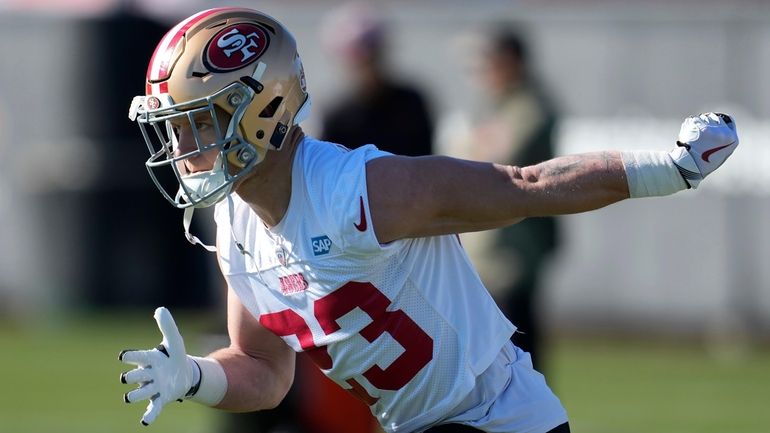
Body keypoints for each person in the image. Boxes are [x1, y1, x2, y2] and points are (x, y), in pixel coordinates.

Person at [119, 7, 738, 433]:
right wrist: (193, 376)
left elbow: (524, 186)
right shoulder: (237, 222)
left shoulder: (353, 191)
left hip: (498, 419)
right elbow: (264, 372)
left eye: (198, 123)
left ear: (261, 109)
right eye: (174, 127)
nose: (181, 145)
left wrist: (672, 169)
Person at [448, 27, 560, 370]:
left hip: (512, 254)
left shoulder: (530, 106)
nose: (482, 72)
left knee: (518, 360)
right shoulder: (493, 107)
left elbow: (493, 157)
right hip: (488, 253)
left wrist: (468, 144)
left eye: (489, 62)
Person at [319, 3, 434, 156]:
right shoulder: (337, 115)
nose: (365, 69)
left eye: (370, 59)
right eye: (357, 62)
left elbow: (423, 161)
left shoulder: (411, 103)